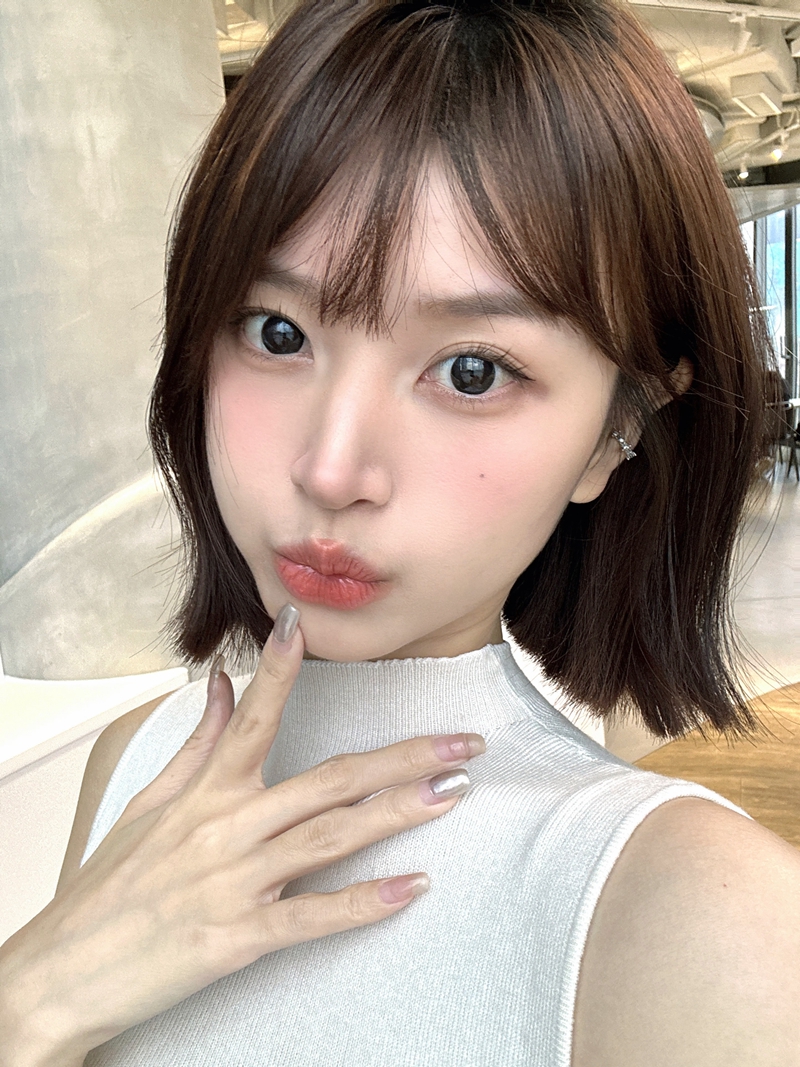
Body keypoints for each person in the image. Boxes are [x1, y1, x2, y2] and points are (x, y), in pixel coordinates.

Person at [2, 0, 799, 1063]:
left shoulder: (699, 916)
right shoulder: (139, 765)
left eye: (470, 371)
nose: (331, 468)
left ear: (617, 430)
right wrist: (32, 993)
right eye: (276, 331)